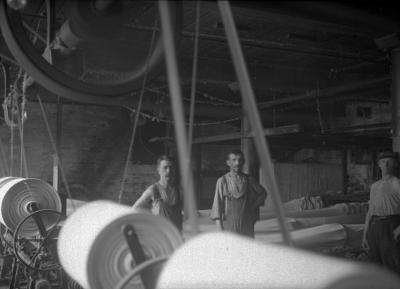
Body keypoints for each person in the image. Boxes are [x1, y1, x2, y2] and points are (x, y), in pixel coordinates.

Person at [210, 149, 267, 238]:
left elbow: (263, 193)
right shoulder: (222, 181)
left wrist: (252, 206)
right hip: (229, 226)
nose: (237, 163)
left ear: (243, 162)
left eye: (240, 160)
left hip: (247, 226)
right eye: (234, 160)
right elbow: (217, 207)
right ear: (228, 162)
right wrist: (220, 229)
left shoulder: (249, 179)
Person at [362, 151, 400, 274]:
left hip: (390, 225)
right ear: (379, 164)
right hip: (374, 226)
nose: (386, 164)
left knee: (392, 264)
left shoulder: (397, 183)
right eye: (383, 162)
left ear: (395, 164)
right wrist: (365, 235)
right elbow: (370, 211)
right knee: (374, 265)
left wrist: (399, 229)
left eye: (390, 162)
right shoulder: (375, 186)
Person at [132, 155, 183, 232]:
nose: (169, 171)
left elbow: (185, 213)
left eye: (171, 167)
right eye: (165, 167)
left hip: (176, 238)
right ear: (158, 170)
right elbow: (134, 209)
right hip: (160, 238)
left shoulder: (179, 190)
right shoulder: (153, 190)